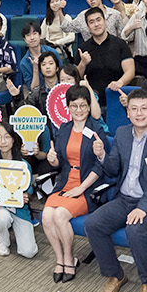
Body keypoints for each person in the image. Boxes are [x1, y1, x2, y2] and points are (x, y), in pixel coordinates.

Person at [86, 88, 147, 292]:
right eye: (134, 109)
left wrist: (142, 208)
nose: (139, 113)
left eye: (144, 108)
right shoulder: (122, 133)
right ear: (127, 113)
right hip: (123, 198)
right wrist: (102, 155)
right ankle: (116, 275)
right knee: (93, 224)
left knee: (134, 230)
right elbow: (113, 169)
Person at [40, 85, 106, 280]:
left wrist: (81, 188)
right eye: (74, 106)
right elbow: (60, 162)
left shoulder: (96, 130)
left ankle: (69, 258)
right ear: (68, 107)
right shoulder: (64, 129)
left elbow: (100, 167)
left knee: (60, 215)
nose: (79, 110)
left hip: (87, 187)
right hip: (65, 184)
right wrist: (53, 160)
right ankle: (59, 258)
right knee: (47, 215)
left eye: (83, 105)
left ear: (89, 106)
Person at [0, 120, 36, 257]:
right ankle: (3, 239)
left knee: (29, 252)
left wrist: (25, 196)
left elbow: (28, 190)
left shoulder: (23, 164)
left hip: (19, 209)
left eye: (7, 137)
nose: (3, 141)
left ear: (13, 139)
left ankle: (14, 227)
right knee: (1, 218)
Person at [78, 8, 135, 98]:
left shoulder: (120, 44)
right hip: (92, 98)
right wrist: (83, 63)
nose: (96, 24)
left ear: (105, 21)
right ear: (88, 26)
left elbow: (130, 71)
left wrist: (120, 82)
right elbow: (76, 77)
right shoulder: (83, 48)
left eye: (98, 20)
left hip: (117, 95)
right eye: (91, 22)